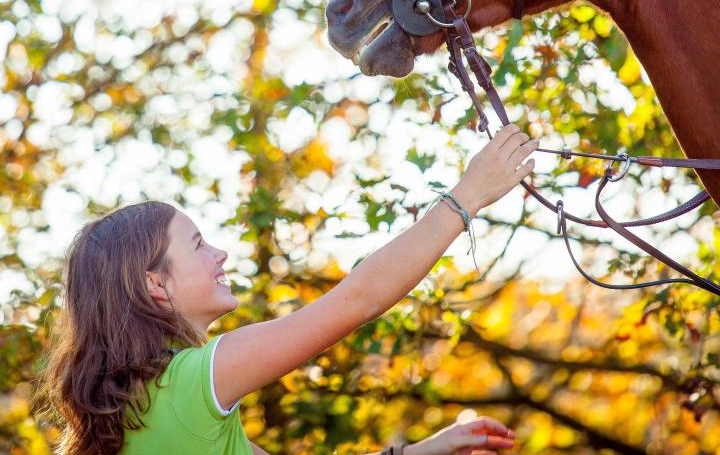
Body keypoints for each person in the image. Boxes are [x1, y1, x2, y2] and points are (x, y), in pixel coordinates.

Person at [39, 124, 540, 454]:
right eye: (197, 245)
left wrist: (424, 449)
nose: (220, 254)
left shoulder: (138, 409)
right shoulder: (197, 380)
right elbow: (358, 300)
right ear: (156, 285)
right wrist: (469, 194)